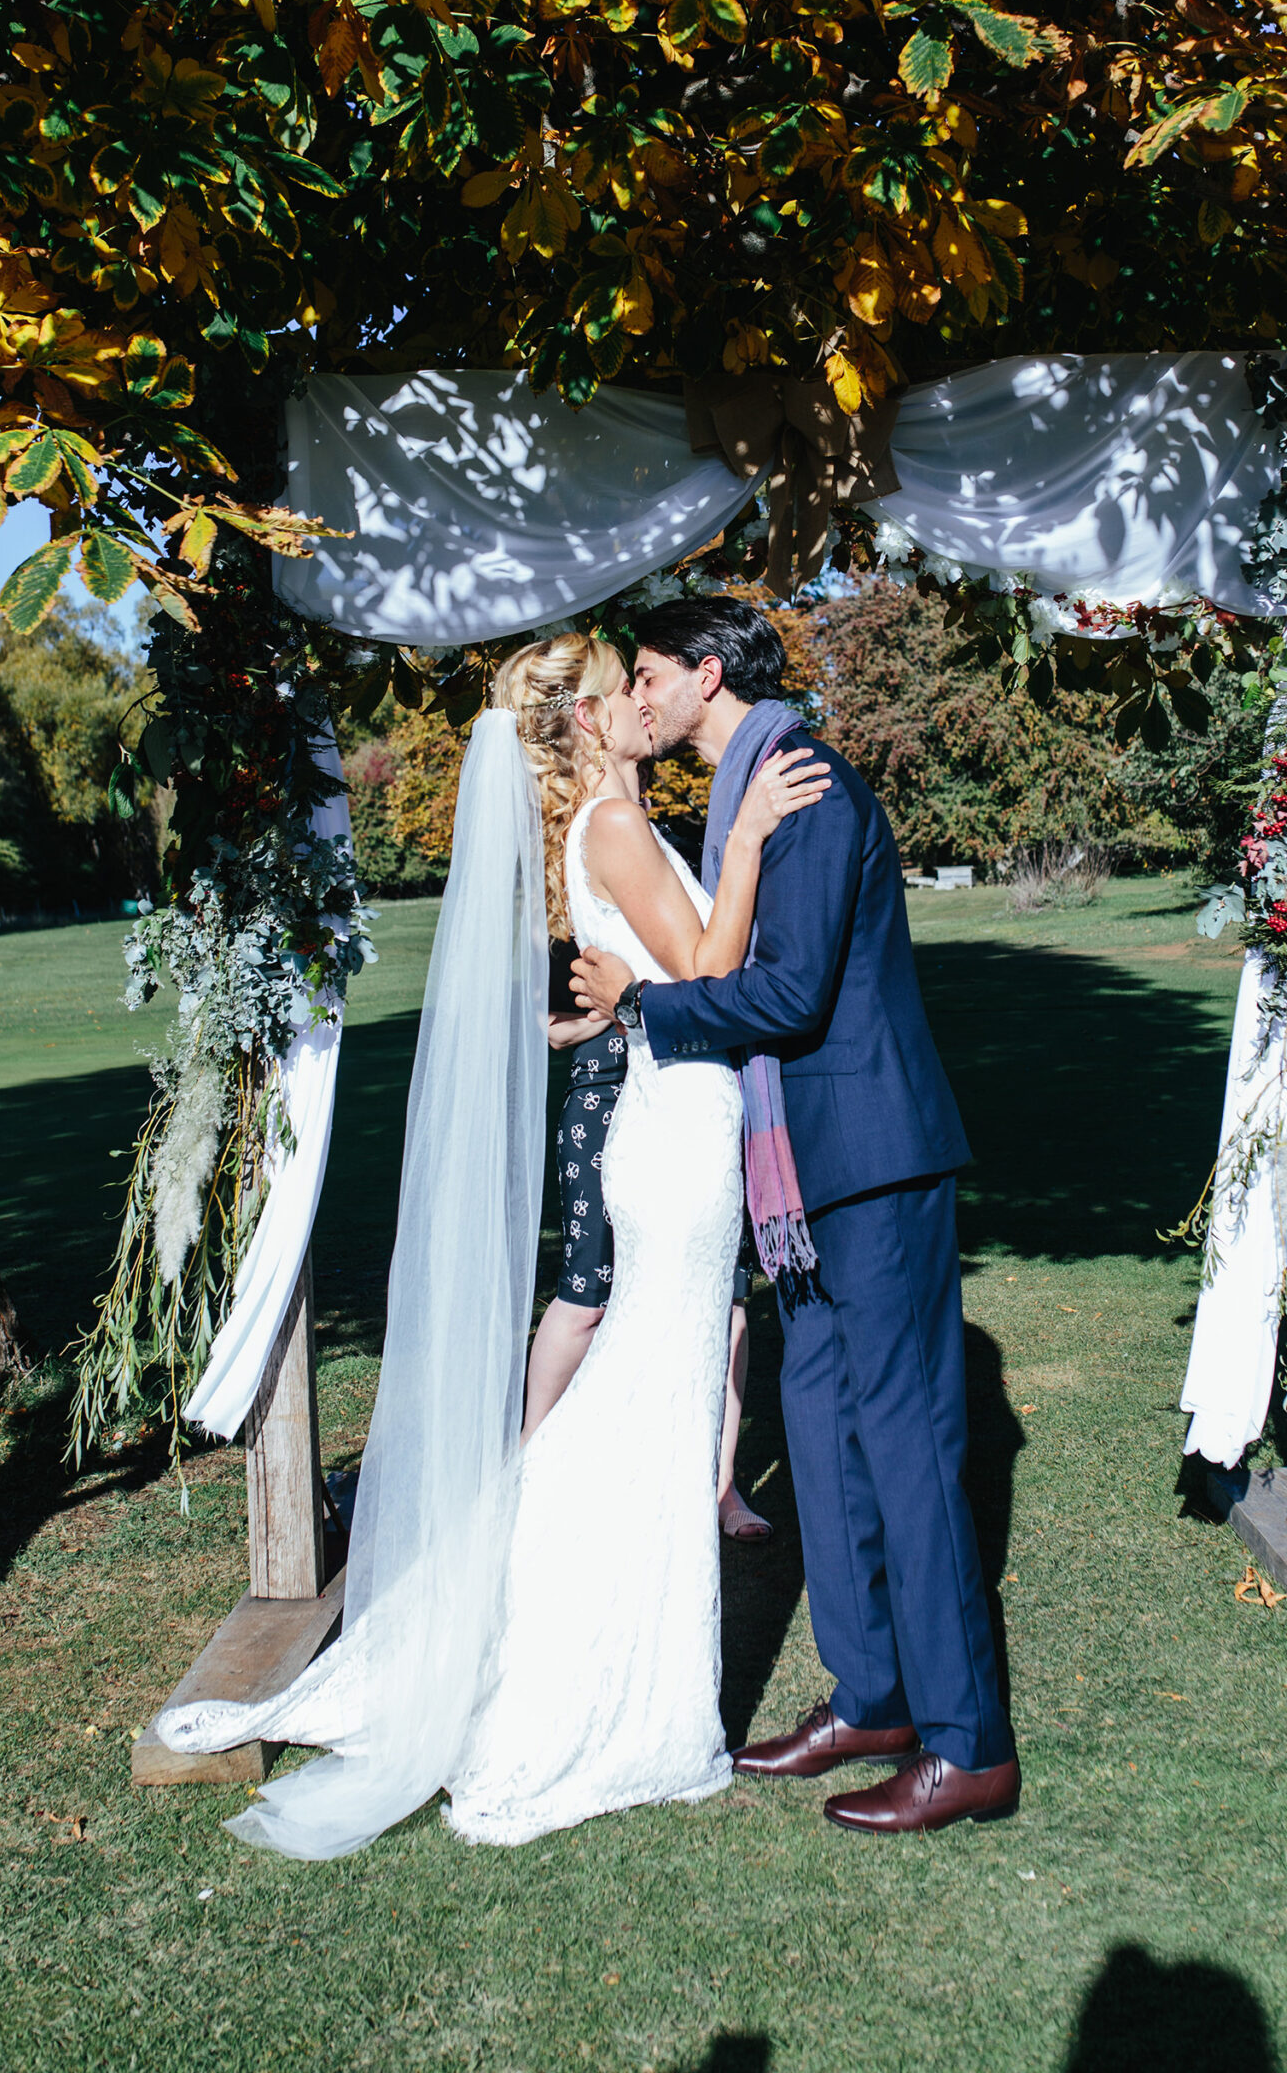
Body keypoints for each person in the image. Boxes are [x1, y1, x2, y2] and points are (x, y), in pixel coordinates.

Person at [156, 631, 823, 1857]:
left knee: (650, 1399)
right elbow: (710, 965)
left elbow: (654, 977)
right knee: (646, 1400)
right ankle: (578, 1681)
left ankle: (568, 1645)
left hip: (675, 1124)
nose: (639, 696)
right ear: (578, 719)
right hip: (672, 1141)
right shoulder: (614, 830)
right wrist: (741, 844)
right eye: (619, 685)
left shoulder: (607, 826)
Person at [572, 597, 1020, 1834]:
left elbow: (789, 989)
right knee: (818, 1434)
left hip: (870, 1161)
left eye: (651, 673)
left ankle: (968, 1743)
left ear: (706, 674)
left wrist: (642, 1007)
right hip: (798, 1180)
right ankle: (870, 1694)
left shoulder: (803, 782)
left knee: (910, 1446)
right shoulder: (741, 800)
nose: (638, 695)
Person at [526, 1004, 774, 1542]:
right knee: (588, 1295)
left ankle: (721, 1485)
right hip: (604, 1095)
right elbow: (554, 1030)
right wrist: (630, 1003)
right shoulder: (566, 921)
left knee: (725, 1297)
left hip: (695, 1096)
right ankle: (528, 1461)